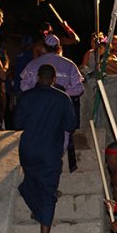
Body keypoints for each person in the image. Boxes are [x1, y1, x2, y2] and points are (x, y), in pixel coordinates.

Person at [14, 64, 77, 233]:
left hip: (28, 150)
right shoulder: (62, 98)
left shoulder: (26, 97)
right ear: (54, 79)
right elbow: (71, 125)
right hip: (50, 151)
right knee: (49, 194)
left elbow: (17, 123)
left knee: (30, 183)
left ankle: (39, 209)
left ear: (38, 77)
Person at [20, 33, 85, 172]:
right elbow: (79, 88)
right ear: (59, 47)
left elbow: (23, 86)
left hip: (37, 111)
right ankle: (52, 172)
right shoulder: (69, 65)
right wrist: (63, 94)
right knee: (61, 140)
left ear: (44, 47)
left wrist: (38, 92)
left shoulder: (33, 64)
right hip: (59, 110)